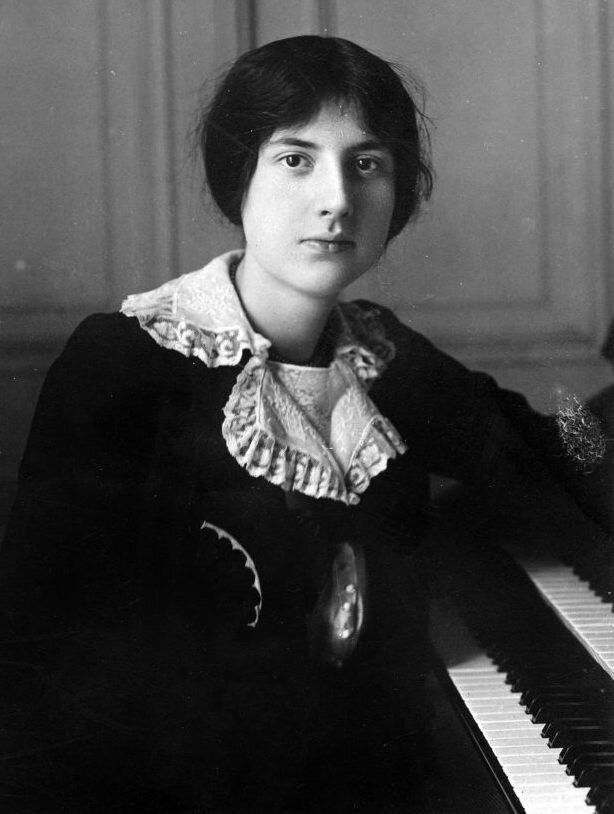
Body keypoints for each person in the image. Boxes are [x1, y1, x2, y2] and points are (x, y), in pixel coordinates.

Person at [0, 35, 605, 813]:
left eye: (367, 163)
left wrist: (590, 416)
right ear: (238, 176)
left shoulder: (381, 353)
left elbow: (547, 441)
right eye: (295, 159)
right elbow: (42, 677)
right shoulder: (125, 363)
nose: (337, 200)